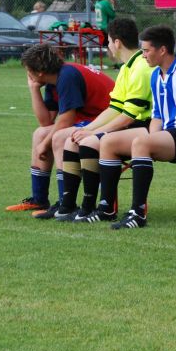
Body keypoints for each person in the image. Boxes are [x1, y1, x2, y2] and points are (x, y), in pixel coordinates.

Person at [85, 25, 176, 228]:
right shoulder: (155, 76)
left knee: (141, 143)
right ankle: (106, 209)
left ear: (162, 50)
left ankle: (138, 214)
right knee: (108, 141)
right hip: (171, 133)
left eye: (146, 50)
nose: (143, 55)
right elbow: (157, 116)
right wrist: (153, 140)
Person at [52, 18, 154, 222]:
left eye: (108, 41)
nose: (108, 46)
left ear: (117, 42)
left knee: (89, 141)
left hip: (145, 126)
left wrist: (93, 133)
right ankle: (68, 205)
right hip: (132, 124)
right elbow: (115, 108)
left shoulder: (141, 67)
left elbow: (128, 116)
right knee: (73, 140)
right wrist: (87, 129)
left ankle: (91, 206)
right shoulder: (127, 67)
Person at [6, 43, 114, 214]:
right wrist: (34, 89)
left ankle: (66, 203)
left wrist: (44, 146)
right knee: (40, 134)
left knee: (59, 137)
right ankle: (39, 200)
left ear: (39, 72)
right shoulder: (53, 79)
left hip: (110, 122)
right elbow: (46, 121)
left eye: (28, 70)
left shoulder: (67, 76)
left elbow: (66, 121)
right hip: (92, 121)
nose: (27, 74)